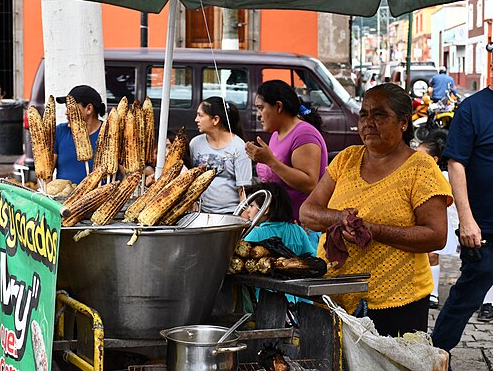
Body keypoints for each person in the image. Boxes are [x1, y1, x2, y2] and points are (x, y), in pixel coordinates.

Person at [300, 83, 452, 337]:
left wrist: (374, 230)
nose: (368, 122)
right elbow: (307, 212)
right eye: (364, 114)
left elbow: (436, 235)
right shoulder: (347, 158)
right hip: (336, 295)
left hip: (398, 300)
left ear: (403, 123)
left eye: (379, 115)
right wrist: (340, 218)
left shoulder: (422, 168)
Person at [431, 53, 493, 360]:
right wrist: (466, 220)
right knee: (467, 295)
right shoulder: (473, 108)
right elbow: (456, 163)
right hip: (484, 227)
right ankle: (436, 355)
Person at [245, 79, 328, 223]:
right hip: (277, 222)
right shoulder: (276, 135)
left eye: (261, 108)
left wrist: (270, 161)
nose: (258, 114)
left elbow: (310, 184)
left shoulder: (304, 134)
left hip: (298, 226)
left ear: (278, 106)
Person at [189, 96, 252, 214]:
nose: (196, 120)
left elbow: (243, 190)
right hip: (199, 214)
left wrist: (242, 220)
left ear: (215, 119)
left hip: (229, 213)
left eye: (200, 115)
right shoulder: (195, 144)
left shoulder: (238, 146)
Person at [416, 141, 459, 309]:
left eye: (421, 155)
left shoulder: (446, 176)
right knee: (431, 255)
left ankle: (485, 300)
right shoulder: (415, 176)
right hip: (428, 222)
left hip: (450, 221)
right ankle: (431, 293)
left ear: (434, 159)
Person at [54, 85, 106, 184]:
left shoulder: (109, 134)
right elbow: (46, 173)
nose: (66, 113)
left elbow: (126, 174)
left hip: (103, 198)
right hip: (61, 198)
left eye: (70, 108)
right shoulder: (60, 131)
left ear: (89, 109)